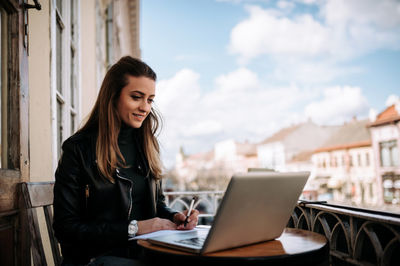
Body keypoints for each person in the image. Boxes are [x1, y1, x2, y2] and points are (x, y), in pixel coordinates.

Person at [53, 56, 199, 265]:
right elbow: (66, 229)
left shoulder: (147, 145)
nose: (145, 107)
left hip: (144, 253)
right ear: (113, 96)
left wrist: (175, 217)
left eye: (150, 100)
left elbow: (155, 205)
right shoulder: (78, 149)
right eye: (136, 97)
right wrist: (135, 228)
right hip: (96, 258)